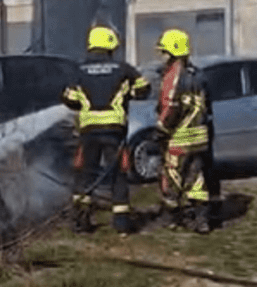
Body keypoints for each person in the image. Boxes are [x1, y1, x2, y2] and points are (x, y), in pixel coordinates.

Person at [61, 25, 151, 235]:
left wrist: (85, 104)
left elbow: (68, 99)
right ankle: (121, 225)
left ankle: (81, 224)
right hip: (114, 131)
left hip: (88, 132)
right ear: (110, 45)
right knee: (118, 175)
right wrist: (126, 94)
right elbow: (144, 90)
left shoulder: (78, 71)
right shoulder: (123, 69)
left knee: (85, 174)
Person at [154, 28, 214, 234]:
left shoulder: (173, 75)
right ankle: (202, 220)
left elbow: (170, 106)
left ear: (172, 52)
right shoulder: (198, 74)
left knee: (172, 177)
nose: (162, 57)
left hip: (179, 138)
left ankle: (171, 218)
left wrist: (161, 129)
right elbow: (208, 107)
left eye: (164, 52)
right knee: (196, 179)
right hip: (199, 138)